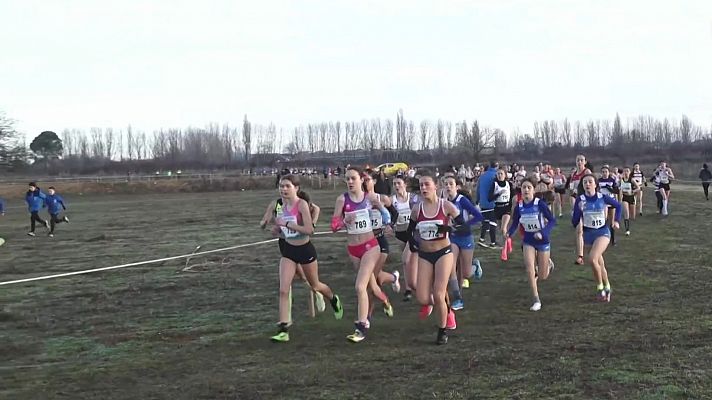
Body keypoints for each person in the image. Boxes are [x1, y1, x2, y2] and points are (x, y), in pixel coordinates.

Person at [262, 175, 343, 342]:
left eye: (287, 186)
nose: (283, 189)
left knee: (315, 285)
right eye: (281, 186)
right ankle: (283, 329)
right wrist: (270, 227)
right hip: (288, 250)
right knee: (283, 289)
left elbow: (309, 230)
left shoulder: (302, 205)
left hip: (305, 250)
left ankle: (333, 299)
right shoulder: (277, 205)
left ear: (296, 188)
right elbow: (269, 223)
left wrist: (287, 224)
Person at [331, 167, 391, 343]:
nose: (349, 182)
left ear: (361, 180)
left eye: (353, 179)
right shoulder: (341, 200)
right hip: (353, 250)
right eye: (347, 179)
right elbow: (333, 227)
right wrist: (343, 222)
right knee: (371, 287)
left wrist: (387, 224)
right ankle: (385, 300)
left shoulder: (370, 198)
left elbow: (386, 213)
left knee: (359, 287)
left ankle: (361, 326)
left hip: (371, 247)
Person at [407, 169, 465, 345]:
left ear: (435, 186)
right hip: (425, 254)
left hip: (444, 253)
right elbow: (410, 233)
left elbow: (464, 227)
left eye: (427, 184)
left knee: (439, 293)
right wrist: (413, 242)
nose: (423, 188)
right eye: (421, 185)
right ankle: (446, 309)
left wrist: (446, 229)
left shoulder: (446, 206)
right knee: (423, 298)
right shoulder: (417, 209)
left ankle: (442, 330)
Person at [506, 177, 556, 311]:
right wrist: (509, 233)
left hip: (542, 240)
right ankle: (536, 299)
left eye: (529, 187)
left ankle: (548, 264)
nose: (526, 190)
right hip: (528, 240)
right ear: (521, 191)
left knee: (542, 276)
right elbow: (515, 223)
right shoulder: (519, 206)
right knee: (530, 269)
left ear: (533, 190)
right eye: (524, 187)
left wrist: (543, 232)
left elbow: (552, 221)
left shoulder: (540, 204)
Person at [572, 174, 622, 302]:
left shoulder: (602, 197)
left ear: (595, 184)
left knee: (593, 259)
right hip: (588, 234)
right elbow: (574, 221)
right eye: (585, 183)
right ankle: (608, 287)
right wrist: (578, 211)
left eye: (590, 182)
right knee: (600, 263)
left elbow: (618, 205)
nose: (587, 184)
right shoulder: (580, 199)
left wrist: (616, 221)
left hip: (602, 232)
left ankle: (600, 288)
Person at [443, 176, 483, 310]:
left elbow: (479, 216)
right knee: (451, 267)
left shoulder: (462, 200)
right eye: (446, 184)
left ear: (456, 187)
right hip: (452, 237)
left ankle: (475, 266)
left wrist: (466, 224)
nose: (448, 187)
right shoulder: (443, 202)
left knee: (466, 273)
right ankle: (458, 298)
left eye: (450, 184)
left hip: (465, 237)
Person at [391, 175, 419, 301]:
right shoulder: (392, 200)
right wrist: (389, 225)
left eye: (398, 183)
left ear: (405, 184)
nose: (396, 186)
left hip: (413, 233)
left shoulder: (412, 198)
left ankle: (417, 285)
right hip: (400, 233)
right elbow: (389, 216)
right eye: (394, 184)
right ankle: (408, 288)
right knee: (406, 262)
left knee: (406, 259)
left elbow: (419, 212)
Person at [570, 155, 592, 265]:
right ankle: (580, 256)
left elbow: (591, 186)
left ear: (585, 162)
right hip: (577, 204)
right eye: (577, 160)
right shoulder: (573, 174)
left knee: (589, 229)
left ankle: (594, 250)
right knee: (579, 230)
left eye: (581, 160)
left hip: (587, 204)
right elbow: (571, 191)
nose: (579, 162)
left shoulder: (587, 172)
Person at [489, 167, 513, 252]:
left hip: (506, 208)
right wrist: (498, 194)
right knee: (501, 230)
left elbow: (511, 196)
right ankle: (507, 242)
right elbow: (490, 198)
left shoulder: (509, 184)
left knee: (503, 228)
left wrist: (510, 206)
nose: (499, 175)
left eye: (501, 173)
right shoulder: (494, 184)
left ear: (505, 175)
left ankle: (505, 248)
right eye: (498, 174)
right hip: (497, 208)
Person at [476, 161, 499, 247]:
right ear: (496, 166)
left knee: (485, 222)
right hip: (492, 202)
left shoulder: (482, 176)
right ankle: (493, 243)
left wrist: (478, 201)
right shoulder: (496, 175)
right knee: (493, 222)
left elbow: (478, 189)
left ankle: (481, 239)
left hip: (483, 203)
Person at [619, 167, 640, 236]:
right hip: (624, 198)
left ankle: (629, 224)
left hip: (631, 197)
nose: (626, 172)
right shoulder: (621, 180)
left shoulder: (632, 180)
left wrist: (632, 191)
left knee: (632, 216)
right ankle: (627, 230)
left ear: (630, 172)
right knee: (626, 213)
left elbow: (638, 188)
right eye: (624, 171)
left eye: (627, 171)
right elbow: (619, 190)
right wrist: (619, 199)